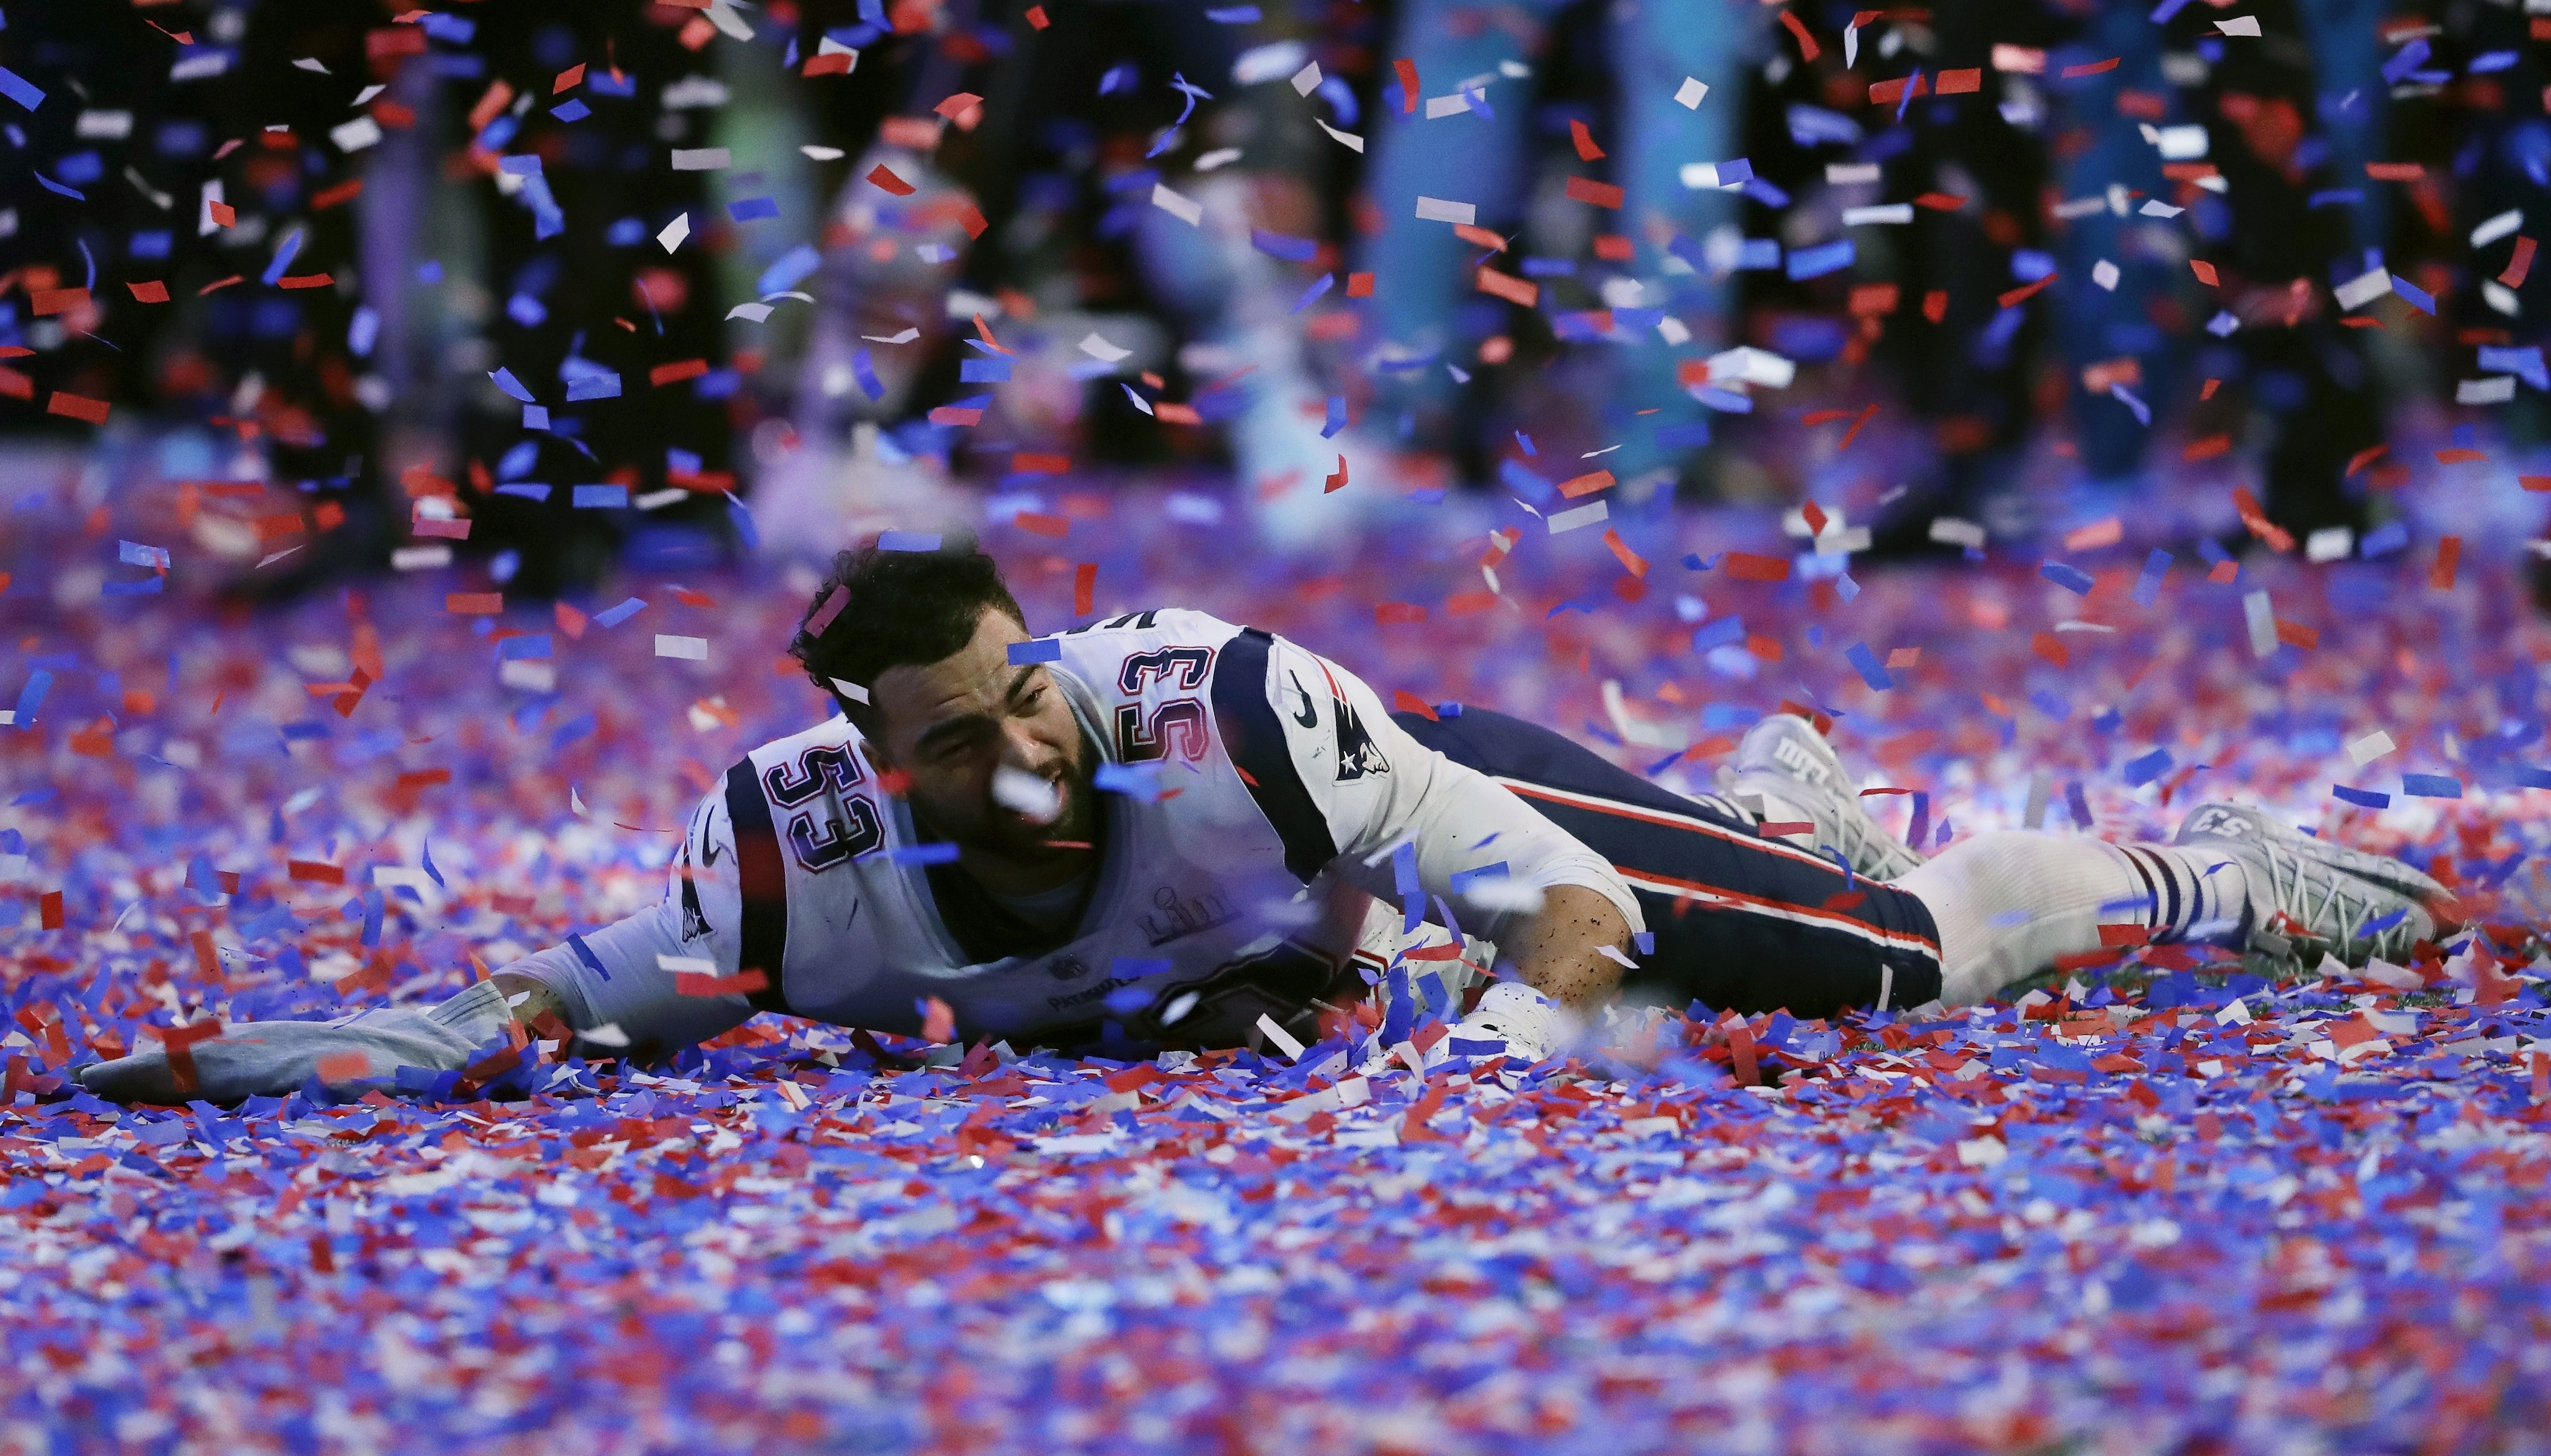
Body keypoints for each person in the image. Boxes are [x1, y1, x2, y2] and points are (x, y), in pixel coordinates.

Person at [79, 540, 2452, 1105]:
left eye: (1019, 687)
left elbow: (1576, 919)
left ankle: (2197, 863)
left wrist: (1485, 1078)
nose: (1012, 745)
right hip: (1285, 943)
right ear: (868, 764)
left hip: (1449, 809)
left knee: (1867, 962)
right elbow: (516, 1007)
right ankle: (1779, 794)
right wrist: (238, 1058)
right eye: (951, 731)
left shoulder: (1229, 713)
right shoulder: (791, 872)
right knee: (1239, 1016)